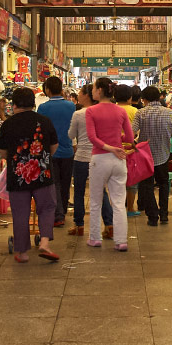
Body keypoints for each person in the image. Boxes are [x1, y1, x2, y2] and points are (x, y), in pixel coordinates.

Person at [0, 87, 60, 263]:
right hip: (43, 173)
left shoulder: (7, 124)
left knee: (20, 212)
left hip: (17, 175)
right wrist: (42, 158)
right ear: (33, 103)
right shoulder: (44, 121)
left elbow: (3, 152)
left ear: (14, 104)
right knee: (47, 207)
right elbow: (54, 147)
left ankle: (23, 252)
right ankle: (45, 244)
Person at [86, 77, 133, 251]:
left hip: (100, 159)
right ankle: (121, 241)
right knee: (119, 202)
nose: (92, 91)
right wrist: (115, 143)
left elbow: (93, 137)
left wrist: (109, 146)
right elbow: (128, 138)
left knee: (96, 201)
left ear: (99, 91)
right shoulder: (121, 111)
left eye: (93, 88)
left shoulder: (91, 111)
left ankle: (95, 238)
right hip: (119, 160)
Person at [68, 83, 114, 238]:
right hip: (99, 157)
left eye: (80, 92)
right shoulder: (103, 113)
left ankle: (79, 225)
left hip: (81, 157)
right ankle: (109, 225)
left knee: (79, 192)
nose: (78, 95)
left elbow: (71, 135)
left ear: (87, 95)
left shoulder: (78, 114)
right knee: (101, 192)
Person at [132, 86, 172, 227]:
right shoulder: (168, 112)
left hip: (145, 156)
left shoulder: (140, 113)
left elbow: (132, 132)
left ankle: (153, 216)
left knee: (146, 186)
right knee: (163, 184)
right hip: (163, 154)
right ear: (158, 97)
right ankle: (164, 214)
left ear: (144, 99)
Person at [38, 76, 76, 228]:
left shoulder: (43, 108)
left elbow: (40, 130)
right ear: (61, 89)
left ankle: (58, 214)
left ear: (47, 90)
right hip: (68, 150)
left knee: (54, 183)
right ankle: (63, 211)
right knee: (66, 182)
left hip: (50, 151)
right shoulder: (71, 106)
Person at [114, 84, 141, 216]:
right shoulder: (135, 111)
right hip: (130, 148)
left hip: (114, 149)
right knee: (131, 181)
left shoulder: (113, 109)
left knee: (116, 181)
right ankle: (130, 209)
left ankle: (117, 208)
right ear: (130, 97)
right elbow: (137, 132)